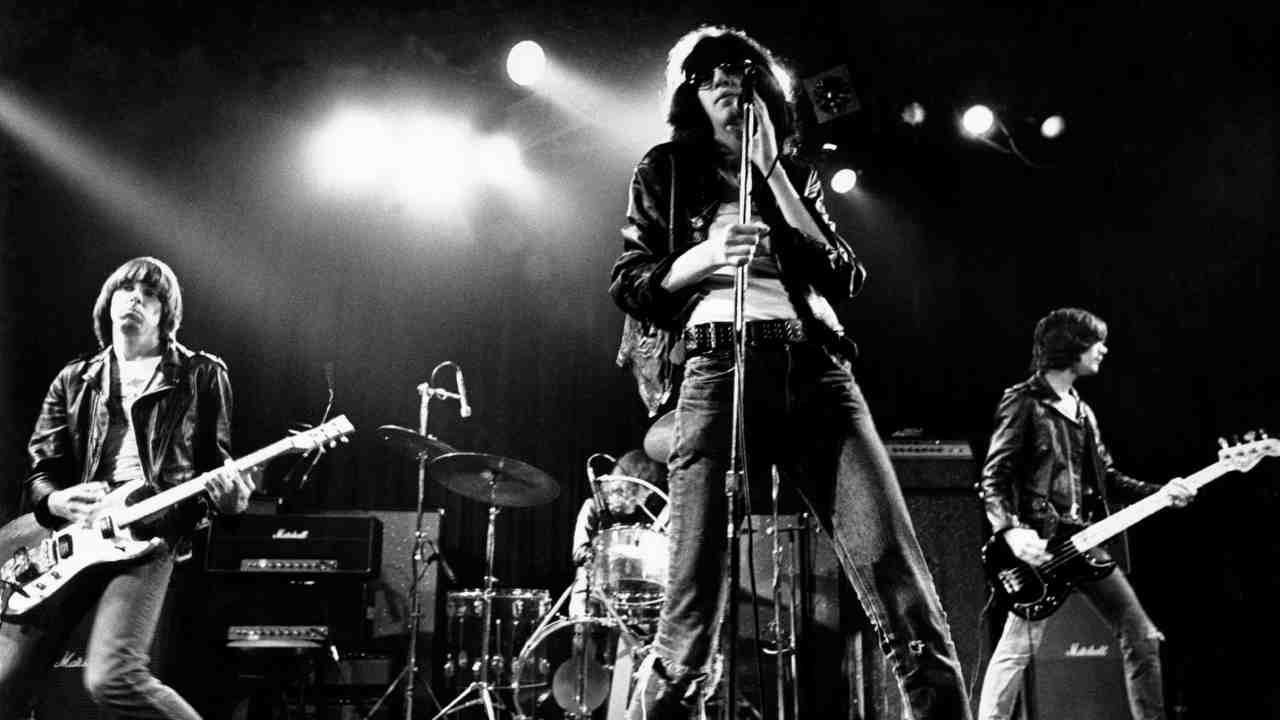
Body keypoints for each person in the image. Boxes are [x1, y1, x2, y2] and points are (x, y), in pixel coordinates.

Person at [610, 25, 971, 719]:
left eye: (738, 74)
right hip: (718, 365)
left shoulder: (793, 173)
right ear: (690, 94)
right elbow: (630, 281)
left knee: (895, 569)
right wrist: (706, 257)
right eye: (708, 76)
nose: (725, 84)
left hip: (814, 372)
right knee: (690, 597)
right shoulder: (666, 169)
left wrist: (772, 170)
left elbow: (843, 273)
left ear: (762, 91)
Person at [0, 256, 254, 719]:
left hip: (150, 531)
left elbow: (219, 470)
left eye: (150, 294)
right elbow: (38, 474)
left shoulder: (200, 374)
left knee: (112, 677)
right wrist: (57, 499)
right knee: (4, 680)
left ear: (166, 314)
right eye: (126, 290)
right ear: (107, 304)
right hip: (76, 535)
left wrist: (233, 500)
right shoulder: (74, 380)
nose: (135, 299)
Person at [976, 307, 1196, 720]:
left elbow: (1107, 477)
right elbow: (994, 477)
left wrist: (1161, 492)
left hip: (1085, 540)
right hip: (1040, 550)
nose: (1104, 349)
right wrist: (1010, 532)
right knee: (1016, 650)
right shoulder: (1024, 402)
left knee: (1142, 636)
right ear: (1071, 347)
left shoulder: (1082, 412)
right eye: (1096, 342)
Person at [570, 449, 668, 618]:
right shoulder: (593, 507)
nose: (650, 493)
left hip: (626, 597)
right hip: (591, 594)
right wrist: (612, 553)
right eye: (646, 487)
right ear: (631, 486)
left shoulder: (643, 515)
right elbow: (578, 552)